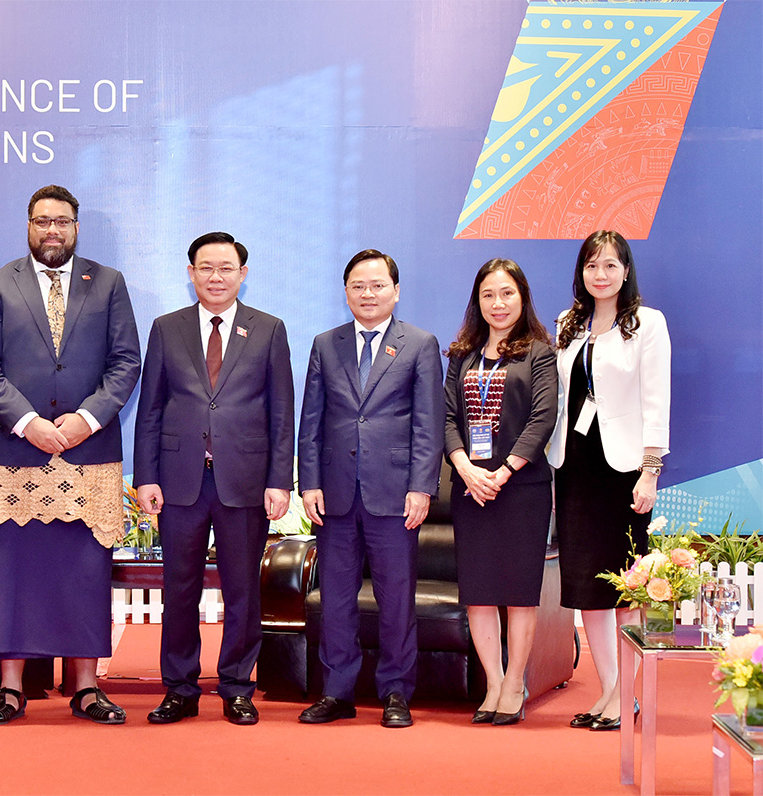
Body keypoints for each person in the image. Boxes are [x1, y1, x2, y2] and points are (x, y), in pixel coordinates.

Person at [0, 185, 141, 725]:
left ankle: (87, 687)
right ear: (28, 226)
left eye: (62, 222)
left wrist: (86, 419)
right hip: (18, 452)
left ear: (76, 228)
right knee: (12, 572)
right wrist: (28, 423)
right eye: (42, 222)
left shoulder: (108, 283)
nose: (52, 231)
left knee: (84, 570)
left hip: (89, 454)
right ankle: (11, 688)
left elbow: (126, 362)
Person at [134, 232, 294, 726]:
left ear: (243, 274)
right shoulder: (167, 328)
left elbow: (282, 412)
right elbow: (151, 409)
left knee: (243, 588)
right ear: (190, 273)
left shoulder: (268, 329)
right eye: (206, 267)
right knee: (178, 588)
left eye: (226, 268)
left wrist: (279, 480)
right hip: (180, 480)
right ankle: (179, 688)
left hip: (244, 481)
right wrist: (145, 477)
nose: (216, 276)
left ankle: (237, 687)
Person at [297, 249, 444, 727]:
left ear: (396, 291)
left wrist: (422, 487)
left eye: (378, 285)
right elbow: (311, 421)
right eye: (358, 285)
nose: (368, 293)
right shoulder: (325, 344)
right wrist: (310, 482)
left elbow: (428, 424)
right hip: (336, 494)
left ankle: (396, 692)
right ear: (346, 292)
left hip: (395, 493)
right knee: (336, 597)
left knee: (396, 596)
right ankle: (336, 692)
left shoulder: (420, 344)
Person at [548, 230, 671, 732]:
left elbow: (656, 400)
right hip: (573, 467)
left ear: (626, 270)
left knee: (624, 589)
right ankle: (607, 692)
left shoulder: (647, 323)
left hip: (622, 473)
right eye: (591, 266)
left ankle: (626, 697)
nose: (601, 275)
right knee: (587, 589)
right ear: (581, 272)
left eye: (610, 266)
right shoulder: (567, 323)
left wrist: (650, 472)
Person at [443, 258, 557, 726]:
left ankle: (515, 683)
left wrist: (504, 471)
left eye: (507, 293)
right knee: (480, 590)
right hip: (471, 489)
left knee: (518, 591)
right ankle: (492, 681)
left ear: (522, 298)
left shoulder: (539, 353)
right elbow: (448, 419)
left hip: (522, 488)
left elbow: (542, 418)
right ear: (478, 301)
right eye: (488, 295)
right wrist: (465, 467)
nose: (498, 303)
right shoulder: (462, 355)